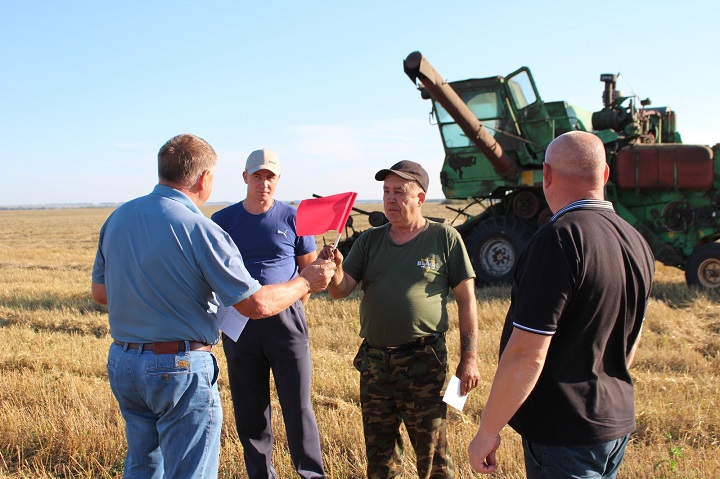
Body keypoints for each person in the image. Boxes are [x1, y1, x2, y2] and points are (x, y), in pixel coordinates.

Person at [90, 134, 335, 479]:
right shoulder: (201, 227)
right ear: (204, 178)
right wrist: (306, 281)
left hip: (125, 365)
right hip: (177, 367)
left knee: (144, 466)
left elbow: (100, 294)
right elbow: (255, 304)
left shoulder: (117, 218)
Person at [468, 131, 655, 478]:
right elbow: (632, 335)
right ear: (604, 176)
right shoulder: (636, 241)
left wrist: (487, 431)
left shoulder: (559, 239)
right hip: (613, 424)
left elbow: (527, 354)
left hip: (564, 434)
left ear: (547, 175)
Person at [320, 160, 480, 479]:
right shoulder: (369, 241)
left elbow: (467, 301)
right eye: (386, 191)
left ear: (420, 198)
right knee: (380, 458)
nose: (391, 199)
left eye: (400, 192)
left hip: (424, 362)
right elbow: (341, 291)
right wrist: (334, 269)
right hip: (375, 362)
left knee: (433, 454)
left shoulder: (444, 238)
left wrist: (470, 360)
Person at [210, 148, 325, 479]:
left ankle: (311, 474)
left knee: (298, 408)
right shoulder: (223, 221)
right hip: (239, 325)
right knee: (250, 411)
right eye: (257, 176)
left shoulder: (294, 218)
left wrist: (286, 309)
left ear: (278, 180)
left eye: (270, 177)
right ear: (245, 178)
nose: (263, 183)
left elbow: (310, 276)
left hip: (287, 325)